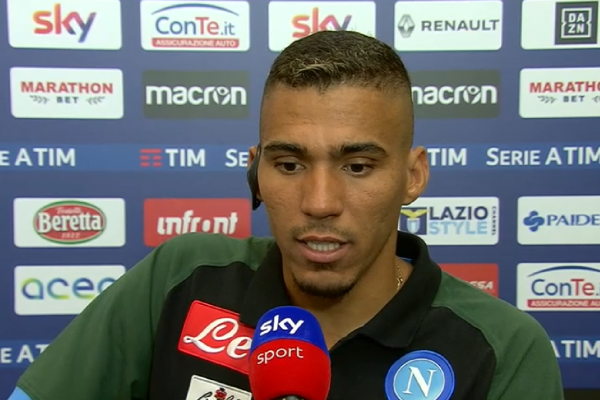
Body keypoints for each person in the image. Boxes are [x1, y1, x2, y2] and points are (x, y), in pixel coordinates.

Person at [7, 31, 563, 400]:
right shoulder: (183, 279)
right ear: (256, 171)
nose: (319, 202)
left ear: (412, 176)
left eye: (358, 166)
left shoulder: (500, 349)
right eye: (290, 164)